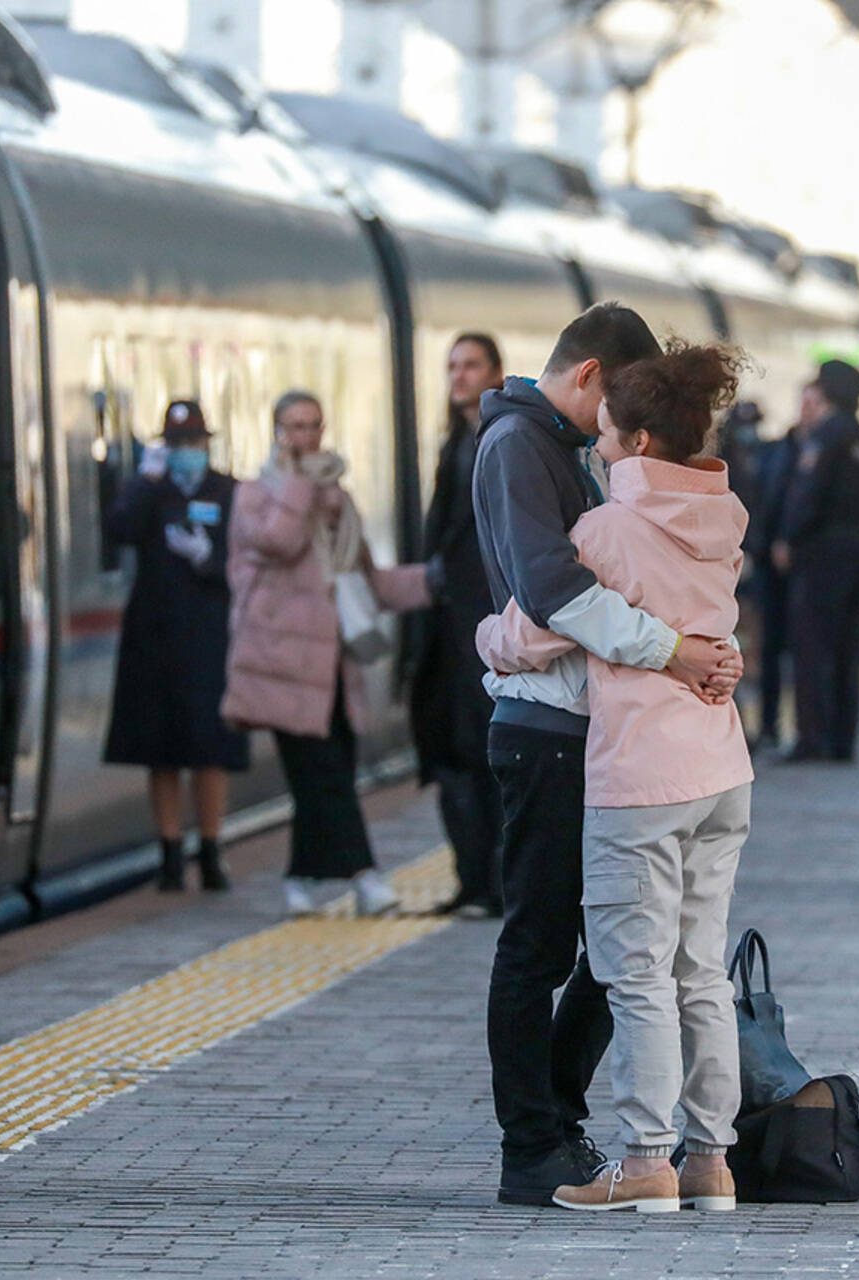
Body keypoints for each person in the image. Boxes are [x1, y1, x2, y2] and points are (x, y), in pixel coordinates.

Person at [471, 302, 742, 1206]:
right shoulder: (519, 447)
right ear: (590, 379)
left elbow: (547, 609)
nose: (614, 444)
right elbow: (553, 595)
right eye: (619, 418)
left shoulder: (596, 476)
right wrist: (682, 648)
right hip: (548, 734)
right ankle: (535, 1146)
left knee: (617, 960)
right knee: (546, 949)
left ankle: (582, 1126)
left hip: (604, 738)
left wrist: (495, 639)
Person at [222, 390, 432, 918]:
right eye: (294, 426)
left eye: (313, 425)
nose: (305, 437)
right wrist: (303, 487)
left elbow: (366, 577)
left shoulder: (337, 499)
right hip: (280, 667)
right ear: (275, 431)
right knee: (324, 778)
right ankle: (367, 879)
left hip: (333, 668)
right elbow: (278, 542)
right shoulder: (255, 495)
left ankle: (299, 880)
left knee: (325, 776)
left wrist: (435, 583)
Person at [104, 400, 248, 893]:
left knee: (209, 748)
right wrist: (144, 482)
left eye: (193, 443)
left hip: (209, 634)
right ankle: (168, 854)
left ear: (207, 445)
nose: (186, 453)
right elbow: (118, 530)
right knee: (160, 749)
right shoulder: (150, 491)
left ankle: (210, 850)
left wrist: (208, 559)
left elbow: (244, 558)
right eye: (177, 445)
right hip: (154, 635)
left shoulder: (228, 490)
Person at [409, 333, 504, 918]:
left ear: (495, 372)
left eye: (470, 365)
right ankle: (472, 879)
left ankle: (490, 884)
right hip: (449, 631)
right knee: (454, 755)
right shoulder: (456, 445)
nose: (459, 376)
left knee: (485, 756)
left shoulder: (500, 443)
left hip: (484, 632)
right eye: (452, 366)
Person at [777, 360, 859, 763]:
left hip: (824, 553)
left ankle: (813, 739)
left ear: (825, 393)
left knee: (812, 647)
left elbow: (806, 495)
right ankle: (844, 740)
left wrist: (788, 538)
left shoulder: (827, 436)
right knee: (851, 647)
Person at [746, 386, 821, 750]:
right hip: (768, 564)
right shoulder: (781, 450)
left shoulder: (820, 451)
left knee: (801, 647)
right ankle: (770, 724)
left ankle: (800, 728)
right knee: (771, 647)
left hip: (804, 564)